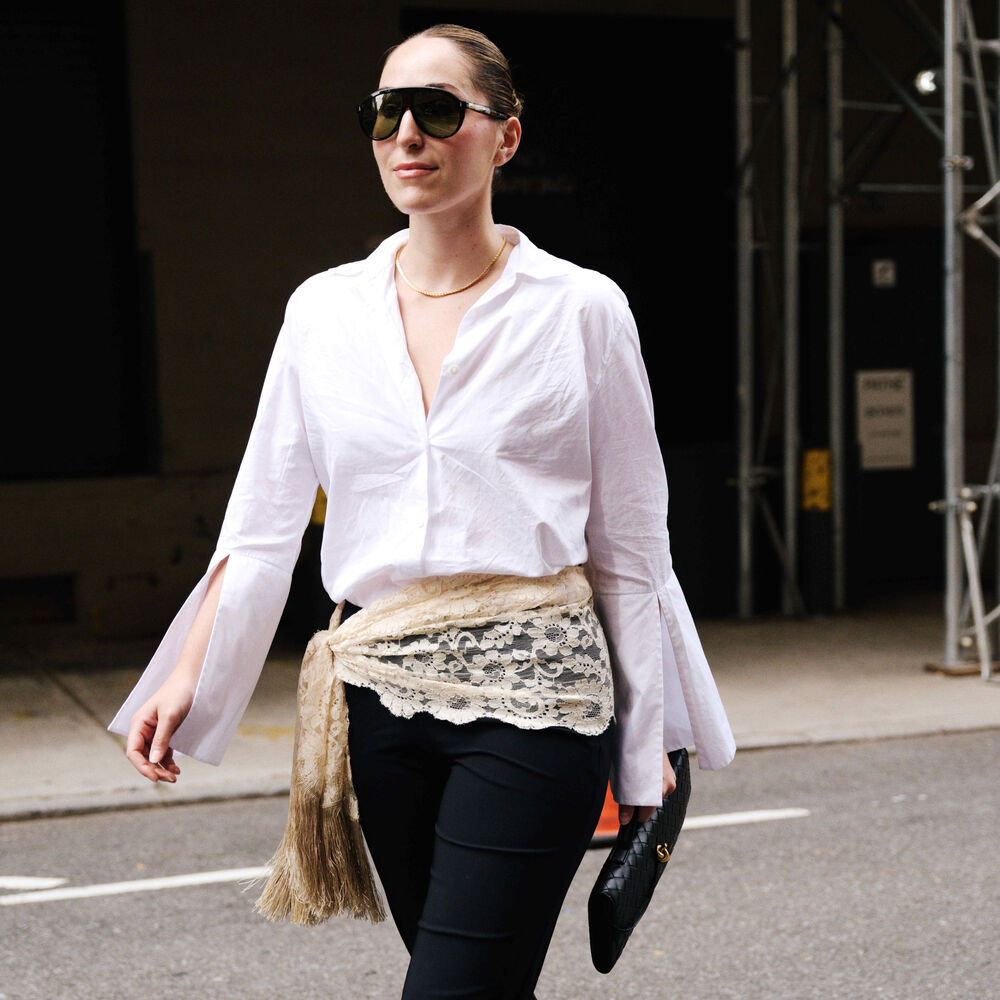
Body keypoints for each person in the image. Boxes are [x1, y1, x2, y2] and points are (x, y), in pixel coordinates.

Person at [110, 23, 735, 999]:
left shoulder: (581, 309)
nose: (406, 133)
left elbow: (630, 547)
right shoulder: (323, 311)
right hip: (379, 702)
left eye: (437, 111)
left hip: (536, 693)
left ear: (506, 137)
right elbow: (262, 521)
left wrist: (648, 742)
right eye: (383, 112)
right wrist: (188, 671)